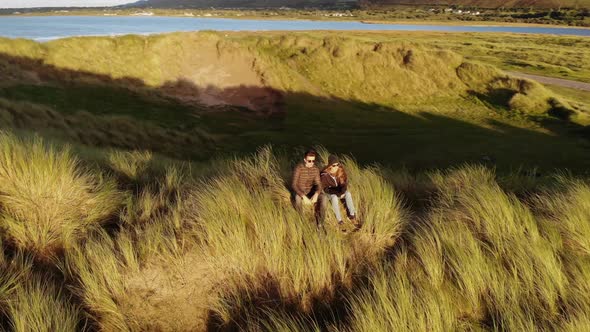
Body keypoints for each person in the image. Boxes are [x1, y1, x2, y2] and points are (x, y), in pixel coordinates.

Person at [320, 154, 358, 230]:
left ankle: (352, 215)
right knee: (334, 198)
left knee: (348, 194)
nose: (336, 167)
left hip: (338, 191)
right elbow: (325, 189)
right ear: (330, 165)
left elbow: (344, 184)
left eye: (338, 164)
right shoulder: (324, 175)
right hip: (329, 192)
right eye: (334, 165)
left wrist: (342, 192)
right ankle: (339, 220)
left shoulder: (340, 170)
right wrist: (337, 194)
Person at [292, 149, 326, 228]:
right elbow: (294, 185)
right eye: (309, 161)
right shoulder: (298, 168)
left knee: (324, 198)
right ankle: (301, 221)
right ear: (305, 160)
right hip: (300, 191)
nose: (311, 163)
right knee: (297, 198)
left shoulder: (315, 169)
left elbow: (319, 184)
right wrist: (303, 196)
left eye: (313, 161)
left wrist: (316, 194)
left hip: (310, 191)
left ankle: (320, 223)